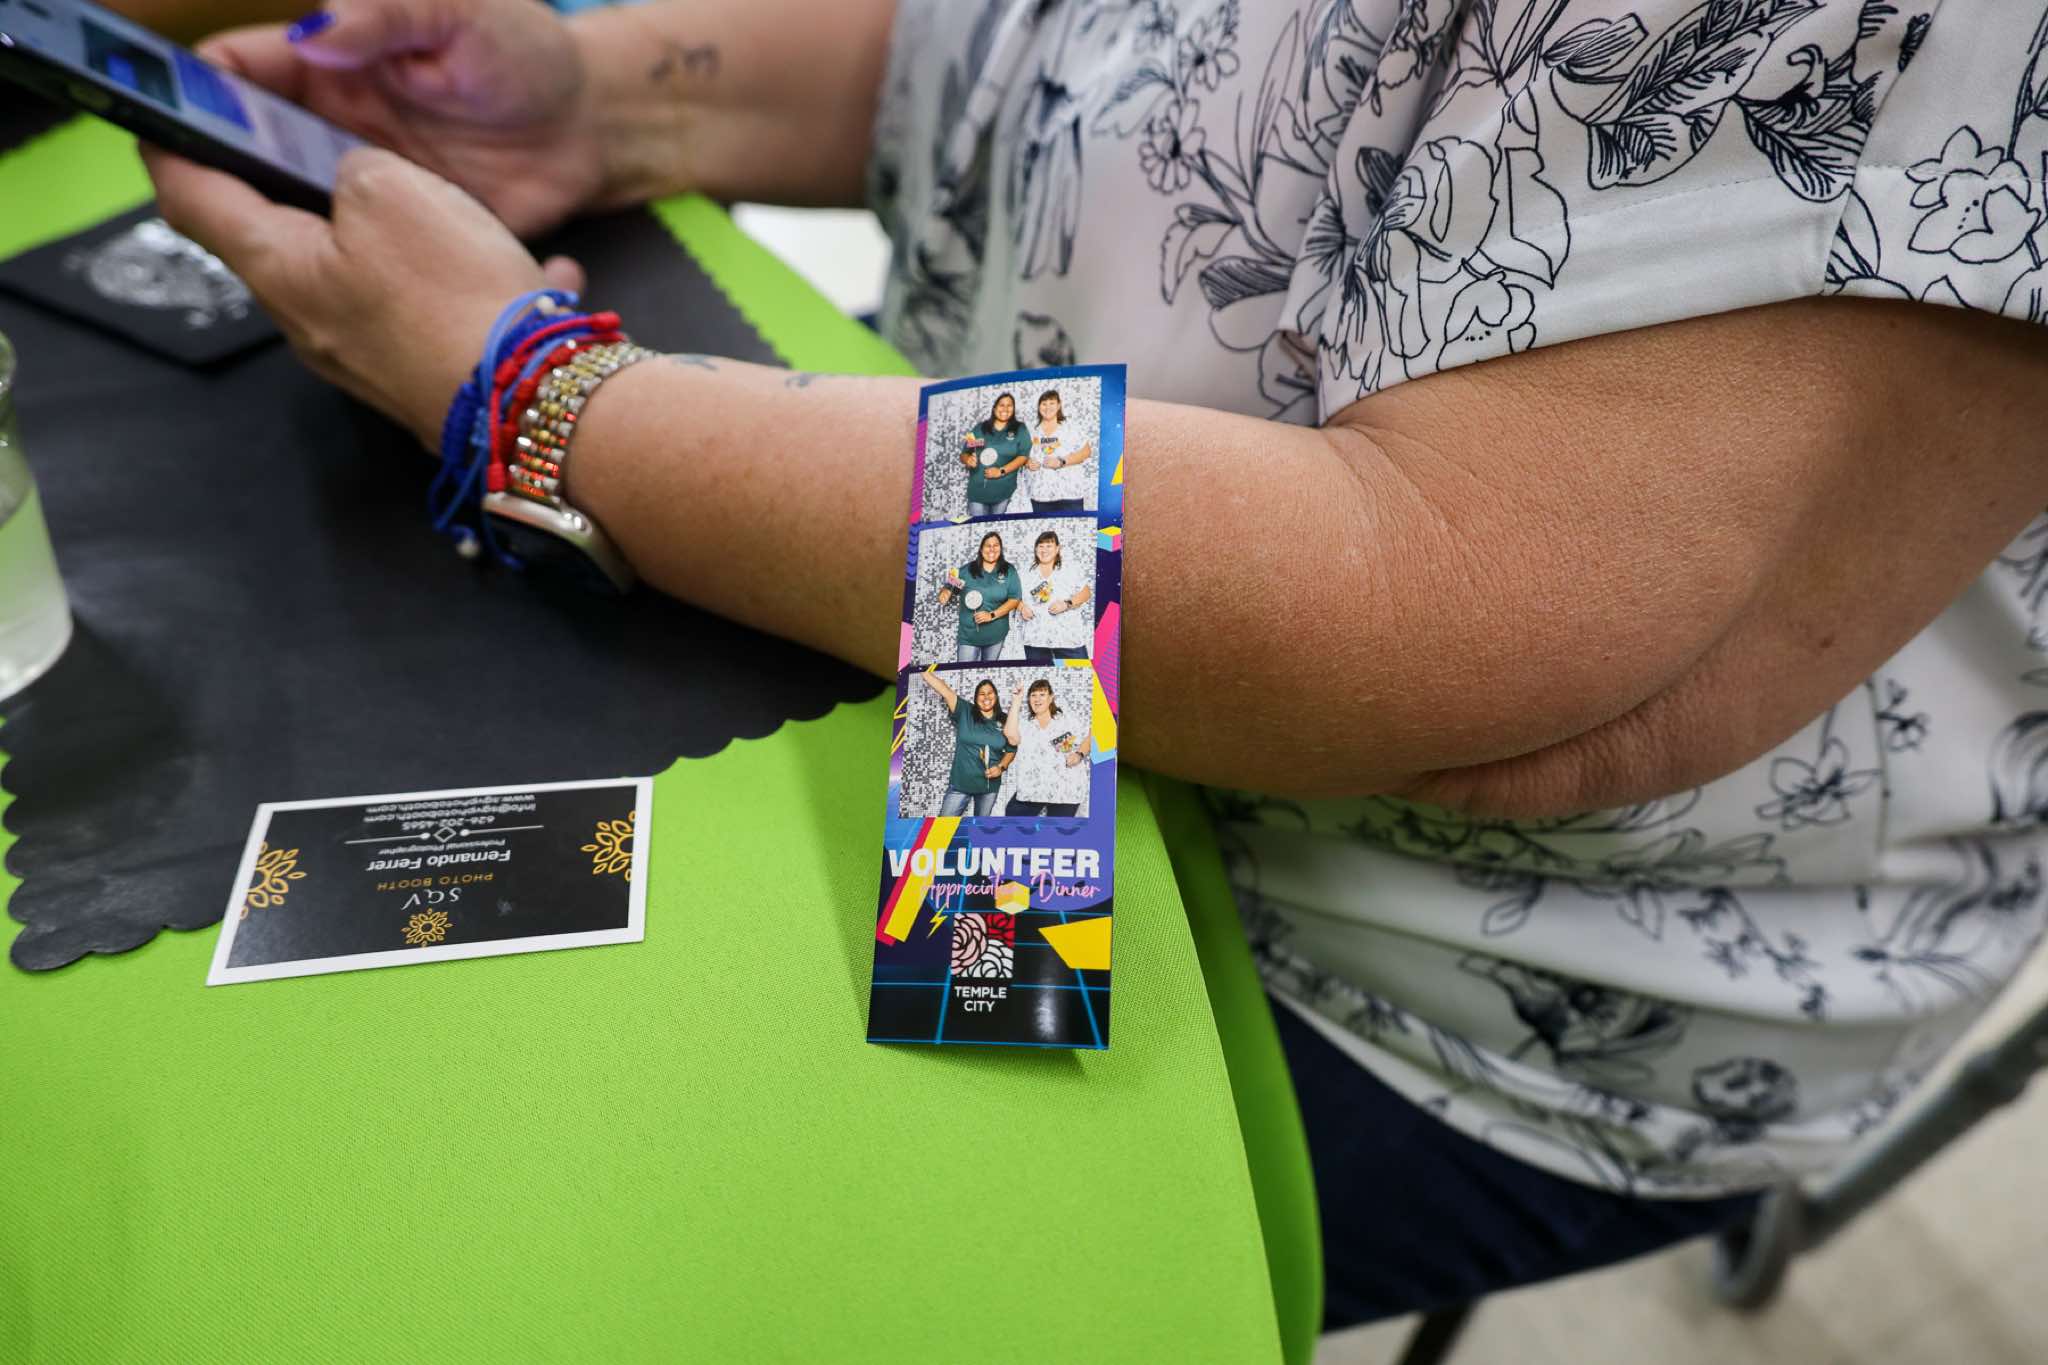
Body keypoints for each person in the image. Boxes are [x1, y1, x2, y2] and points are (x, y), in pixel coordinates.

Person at [142, 0, 2048, 1330]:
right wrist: (612, 101)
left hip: (1432, 951)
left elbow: (1423, 612)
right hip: (985, 605)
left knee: (523, 1237)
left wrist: (548, 408)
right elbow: (1056, 61)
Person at [916, 671, 1012, 819]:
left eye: (990, 693)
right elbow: (944, 689)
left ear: (996, 696)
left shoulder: (1005, 720)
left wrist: (1001, 767)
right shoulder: (965, 710)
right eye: (981, 694)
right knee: (942, 829)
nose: (986, 697)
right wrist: (920, 669)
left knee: (979, 828)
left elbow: (1012, 749)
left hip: (989, 788)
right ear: (975, 698)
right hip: (960, 785)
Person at [1002, 678, 1089, 818]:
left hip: (1065, 790)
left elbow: (1091, 735)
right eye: (1033, 695)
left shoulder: (1066, 720)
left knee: (1057, 830)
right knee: (1013, 818)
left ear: (1051, 698)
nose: (1037, 699)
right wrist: (1016, 700)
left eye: (1042, 694)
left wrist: (1079, 754)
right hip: (1033, 790)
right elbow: (1011, 737)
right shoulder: (1025, 724)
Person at [935, 530, 1020, 663]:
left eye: (995, 545)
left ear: (1000, 548)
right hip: (968, 637)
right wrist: (945, 593)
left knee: (988, 671)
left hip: (996, 636)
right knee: (964, 671)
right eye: (987, 545)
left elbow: (1014, 599)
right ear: (981, 549)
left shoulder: (1009, 571)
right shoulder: (966, 571)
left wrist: (991, 615)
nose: (992, 549)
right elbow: (949, 589)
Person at [1015, 530, 1089, 662]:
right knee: (1038, 672)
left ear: (1057, 549)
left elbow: (1086, 593)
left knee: (1079, 670)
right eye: (1041, 546)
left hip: (1067, 637)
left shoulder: (1070, 569)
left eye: (1049, 546)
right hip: (1036, 637)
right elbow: (1012, 597)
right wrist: (1022, 608)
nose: (1044, 550)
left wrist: (1067, 604)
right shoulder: (1024, 572)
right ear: (1036, 549)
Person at [958, 391, 1031, 517]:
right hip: (977, 492)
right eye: (1001, 405)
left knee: (997, 526)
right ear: (994, 408)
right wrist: (968, 459)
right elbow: (964, 454)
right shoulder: (979, 428)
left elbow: (1023, 456)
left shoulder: (1020, 429)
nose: (1005, 409)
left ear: (1013, 409)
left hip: (1004, 492)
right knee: (979, 527)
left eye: (1009, 405)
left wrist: (1001, 471)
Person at [1020, 389, 1092, 514]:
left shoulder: (1071, 427)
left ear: (1059, 405)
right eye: (1044, 404)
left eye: (1052, 403)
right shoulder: (1030, 431)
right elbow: (1021, 456)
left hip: (1070, 494)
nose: (1048, 407)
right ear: (1039, 407)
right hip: (1040, 495)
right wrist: (1027, 463)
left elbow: (1086, 452)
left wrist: (1062, 462)